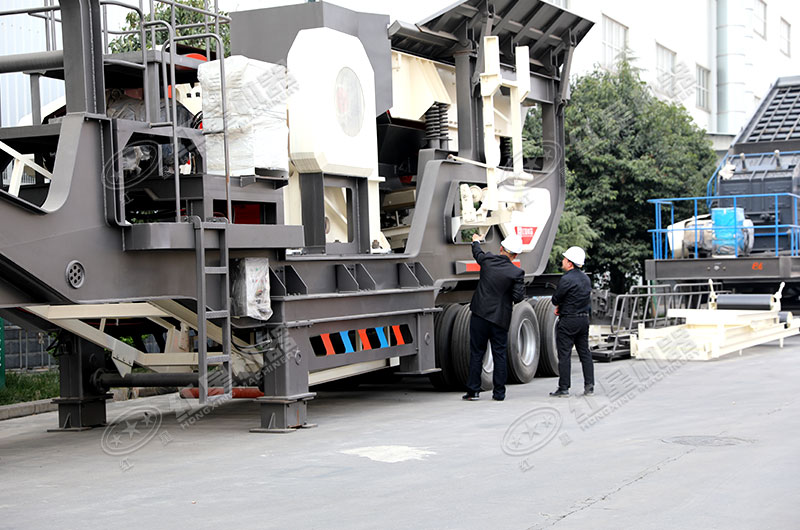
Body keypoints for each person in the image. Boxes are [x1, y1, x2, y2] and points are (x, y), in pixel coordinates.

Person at [462, 232, 525, 402]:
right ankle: (499, 393)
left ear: (501, 248)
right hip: (500, 319)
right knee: (499, 354)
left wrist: (475, 241)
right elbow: (518, 297)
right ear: (515, 255)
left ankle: (473, 391)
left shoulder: (488, 261)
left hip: (480, 315)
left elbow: (478, 253)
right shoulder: (517, 273)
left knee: (476, 353)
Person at [549, 246, 594, 397]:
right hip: (583, 320)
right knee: (584, 353)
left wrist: (560, 307)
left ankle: (564, 388)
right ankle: (589, 386)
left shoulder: (566, 279)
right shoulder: (586, 279)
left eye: (565, 259)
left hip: (568, 320)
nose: (562, 261)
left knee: (564, 354)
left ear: (570, 263)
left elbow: (556, 299)